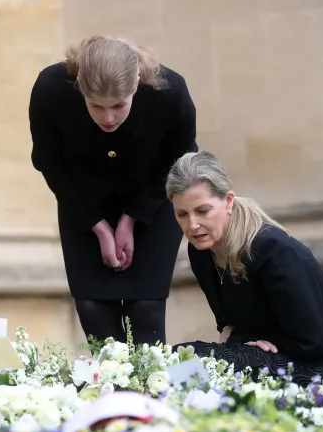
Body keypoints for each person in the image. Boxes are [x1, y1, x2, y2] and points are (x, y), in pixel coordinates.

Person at [28, 35, 197, 347]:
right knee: (94, 309)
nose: (108, 118)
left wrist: (131, 218)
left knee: (144, 310)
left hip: (154, 197)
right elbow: (49, 162)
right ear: (79, 85)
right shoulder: (51, 90)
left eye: (119, 106)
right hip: (81, 200)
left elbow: (177, 159)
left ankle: (151, 394)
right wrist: (98, 226)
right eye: (96, 106)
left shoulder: (170, 92)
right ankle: (110, 393)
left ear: (136, 83)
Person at [166, 150, 323, 387]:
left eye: (203, 211)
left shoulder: (273, 250)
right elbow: (228, 325)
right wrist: (243, 339)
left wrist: (246, 340)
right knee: (175, 358)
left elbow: (312, 341)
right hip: (268, 352)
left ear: (228, 201)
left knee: (206, 365)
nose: (192, 225)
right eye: (181, 214)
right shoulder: (201, 251)